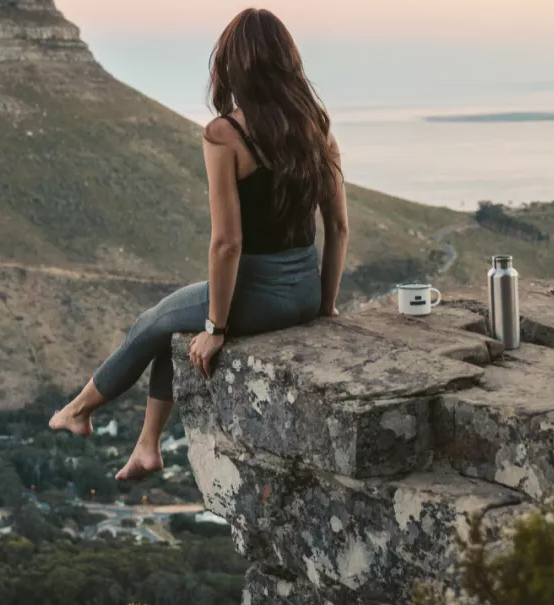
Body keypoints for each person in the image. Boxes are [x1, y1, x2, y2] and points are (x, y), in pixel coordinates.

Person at [49, 8, 350, 481]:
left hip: (259, 295)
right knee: (174, 331)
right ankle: (147, 446)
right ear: (287, 60)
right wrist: (325, 305)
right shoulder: (318, 126)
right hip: (306, 294)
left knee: (152, 321)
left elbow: (227, 243)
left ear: (232, 64)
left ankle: (79, 408)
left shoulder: (225, 133)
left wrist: (217, 326)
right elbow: (338, 228)